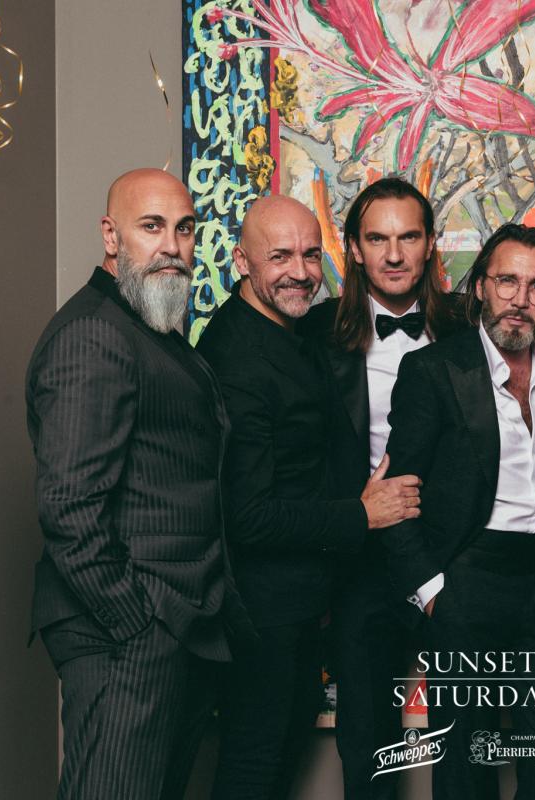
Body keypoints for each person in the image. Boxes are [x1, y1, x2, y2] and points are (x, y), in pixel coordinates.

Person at [26, 167, 252, 800]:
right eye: (152, 227)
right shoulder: (94, 334)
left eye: (185, 229)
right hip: (127, 631)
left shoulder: (152, 332)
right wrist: (136, 622)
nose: (172, 247)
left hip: (175, 627)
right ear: (111, 236)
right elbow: (69, 506)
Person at [196, 195, 422, 799]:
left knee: (279, 758)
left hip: (301, 600)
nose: (299, 271)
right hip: (261, 608)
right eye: (279, 257)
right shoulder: (237, 357)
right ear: (241, 261)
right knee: (253, 765)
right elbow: (248, 514)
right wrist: (361, 514)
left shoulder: (295, 331)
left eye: (309, 254)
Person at [382, 223, 535, 799]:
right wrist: (431, 592)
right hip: (467, 582)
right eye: (507, 281)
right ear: (481, 288)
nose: (520, 299)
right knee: (466, 764)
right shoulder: (434, 369)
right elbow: (395, 492)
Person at [299, 176, 467, 799]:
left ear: (430, 245)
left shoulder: (468, 327)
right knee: (366, 746)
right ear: (354, 248)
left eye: (408, 238)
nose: (394, 255)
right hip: (361, 563)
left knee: (467, 740)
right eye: (377, 239)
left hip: (453, 558)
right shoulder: (315, 334)